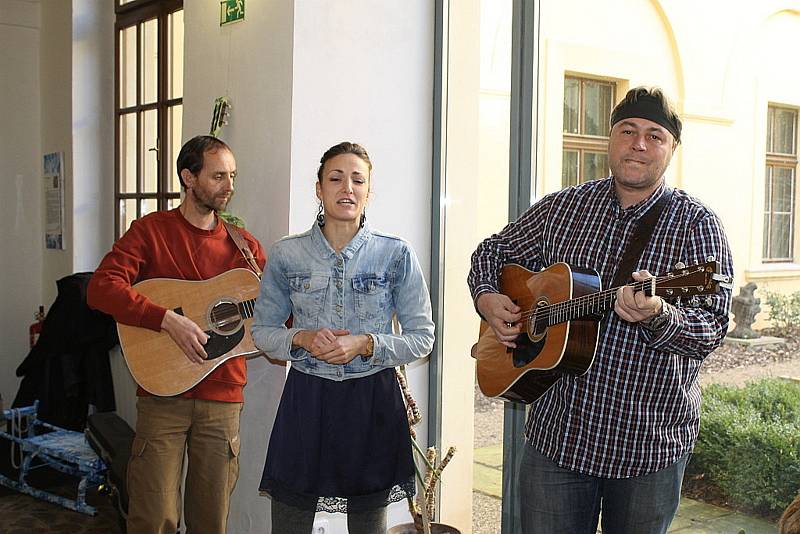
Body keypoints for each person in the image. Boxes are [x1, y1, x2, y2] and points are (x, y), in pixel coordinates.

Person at [468, 87, 734, 534]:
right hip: (559, 437)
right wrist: (487, 297)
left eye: (655, 136)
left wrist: (660, 314)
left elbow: (712, 327)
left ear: (671, 150)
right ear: (609, 139)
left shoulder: (696, 224)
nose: (639, 144)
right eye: (628, 131)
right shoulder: (564, 207)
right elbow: (493, 250)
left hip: (648, 445)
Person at [251, 141, 435, 534]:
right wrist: (300, 338)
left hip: (373, 402)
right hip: (307, 400)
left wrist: (367, 343)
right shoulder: (287, 255)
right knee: (288, 522)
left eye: (357, 180)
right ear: (318, 188)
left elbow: (423, 338)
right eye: (335, 178)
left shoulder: (396, 254)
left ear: (369, 191)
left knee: (368, 527)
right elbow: (262, 332)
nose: (346, 188)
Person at [87, 135, 266, 533]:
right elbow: (101, 287)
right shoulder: (151, 231)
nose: (229, 185)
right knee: (153, 519)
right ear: (189, 177)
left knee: (210, 522)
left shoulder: (246, 249)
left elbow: (274, 317)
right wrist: (166, 319)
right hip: (162, 396)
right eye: (218, 176)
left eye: (232, 175)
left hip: (223, 401)